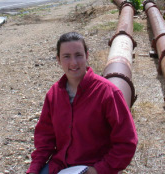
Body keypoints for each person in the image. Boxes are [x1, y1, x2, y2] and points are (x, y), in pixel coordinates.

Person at [27, 32, 138, 174]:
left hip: (94, 167)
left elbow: (126, 142)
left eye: (78, 55)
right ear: (58, 60)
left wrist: (98, 170)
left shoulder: (108, 93)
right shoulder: (54, 95)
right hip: (60, 166)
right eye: (66, 56)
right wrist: (34, 170)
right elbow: (44, 141)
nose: (73, 62)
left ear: (87, 56)